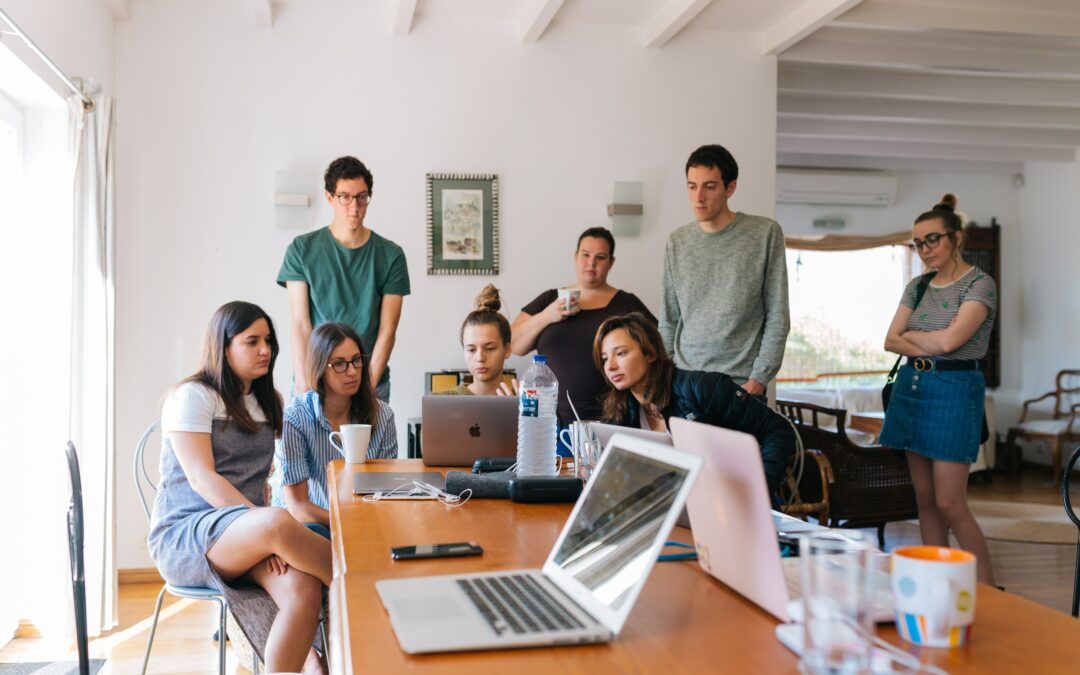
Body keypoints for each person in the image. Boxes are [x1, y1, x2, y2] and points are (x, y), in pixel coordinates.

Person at [148, 301, 330, 673]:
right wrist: (265, 528)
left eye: (269, 341)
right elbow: (203, 479)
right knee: (280, 522)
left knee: (304, 591)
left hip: (248, 534)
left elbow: (260, 481)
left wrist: (264, 531)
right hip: (189, 535)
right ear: (224, 345)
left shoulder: (268, 402)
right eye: (252, 341)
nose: (265, 350)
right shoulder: (193, 396)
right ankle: (363, 588)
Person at [881, 194, 996, 585]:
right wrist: (926, 338)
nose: (924, 249)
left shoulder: (981, 284)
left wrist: (914, 335)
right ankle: (936, 582)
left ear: (956, 239)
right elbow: (890, 341)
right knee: (925, 500)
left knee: (950, 502)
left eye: (933, 239)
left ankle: (987, 590)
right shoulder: (918, 285)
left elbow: (951, 344)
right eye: (918, 243)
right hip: (913, 388)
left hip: (955, 391)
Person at [593, 312, 796, 498]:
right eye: (604, 358)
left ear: (650, 354)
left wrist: (757, 490)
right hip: (678, 508)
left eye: (620, 354)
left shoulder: (703, 388)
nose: (610, 366)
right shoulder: (621, 411)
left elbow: (779, 430)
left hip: (733, 504)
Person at [660, 144, 790, 398]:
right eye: (692, 186)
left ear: (730, 188)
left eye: (709, 186)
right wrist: (665, 377)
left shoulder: (764, 234)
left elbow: (778, 315)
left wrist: (759, 379)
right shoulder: (677, 241)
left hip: (741, 385)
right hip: (685, 381)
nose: (698, 197)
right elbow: (669, 320)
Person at [278, 156, 410, 402]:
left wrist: (367, 389)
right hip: (315, 380)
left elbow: (387, 330)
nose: (354, 206)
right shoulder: (301, 250)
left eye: (362, 197)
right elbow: (300, 323)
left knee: (370, 442)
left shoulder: (391, 255)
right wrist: (304, 384)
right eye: (345, 197)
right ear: (330, 197)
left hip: (369, 380)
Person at [511, 227, 656, 428]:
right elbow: (514, 344)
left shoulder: (627, 304)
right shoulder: (550, 299)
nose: (591, 263)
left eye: (600, 257)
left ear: (611, 262)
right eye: (585, 255)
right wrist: (547, 316)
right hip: (550, 422)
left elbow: (656, 350)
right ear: (575, 256)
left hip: (615, 419)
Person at [274, 322, 398, 535]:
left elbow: (385, 492)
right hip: (308, 527)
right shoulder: (295, 418)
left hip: (363, 523)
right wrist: (348, 522)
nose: (352, 372)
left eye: (356, 360)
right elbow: (298, 508)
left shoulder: (383, 415)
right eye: (339, 364)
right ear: (320, 368)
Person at [434, 285, 516, 396]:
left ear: (506, 350)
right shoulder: (439, 401)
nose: (480, 358)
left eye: (490, 348)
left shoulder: (524, 403)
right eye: (471, 350)